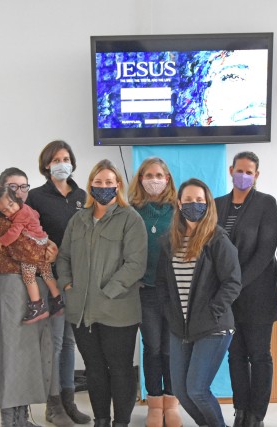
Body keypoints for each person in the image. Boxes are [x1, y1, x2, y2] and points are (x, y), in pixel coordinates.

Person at [57, 159, 147, 427]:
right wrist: (67, 284)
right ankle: (101, 420)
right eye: (98, 182)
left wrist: (108, 291)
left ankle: (121, 421)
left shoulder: (130, 218)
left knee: (119, 370)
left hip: (117, 311)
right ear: (90, 186)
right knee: (94, 371)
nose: (104, 187)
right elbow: (63, 257)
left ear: (118, 185)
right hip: (81, 312)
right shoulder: (78, 219)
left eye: (109, 182)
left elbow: (135, 264)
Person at [157, 178, 242, 427]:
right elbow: (161, 284)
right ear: (179, 204)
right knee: (182, 393)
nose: (194, 205)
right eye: (188, 200)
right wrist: (170, 313)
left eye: (199, 200)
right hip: (179, 328)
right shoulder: (168, 241)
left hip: (213, 327)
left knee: (197, 390)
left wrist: (212, 311)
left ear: (208, 205)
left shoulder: (217, 240)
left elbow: (233, 282)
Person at [0, 167, 56, 427]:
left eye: (24, 187)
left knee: (24, 355)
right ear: (1, 190)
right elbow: (30, 251)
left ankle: (20, 417)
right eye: (13, 187)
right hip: (10, 290)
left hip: (26, 289)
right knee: (10, 356)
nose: (19, 192)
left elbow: (40, 248)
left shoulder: (24, 217)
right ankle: (10, 420)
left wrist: (48, 248)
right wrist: (48, 249)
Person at [26, 140, 90, 426]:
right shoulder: (36, 197)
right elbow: (27, 237)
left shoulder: (82, 196)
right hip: (47, 278)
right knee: (52, 343)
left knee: (67, 343)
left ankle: (68, 401)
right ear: (46, 165)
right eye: (56, 159)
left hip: (74, 281)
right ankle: (52, 406)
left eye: (66, 158)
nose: (62, 163)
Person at [213, 151, 277, 427]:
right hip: (227, 297)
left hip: (258, 293)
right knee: (235, 354)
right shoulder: (217, 204)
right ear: (231, 170)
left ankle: (256, 415)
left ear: (257, 175)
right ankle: (240, 411)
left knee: (259, 355)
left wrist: (235, 285)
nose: (243, 175)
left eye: (249, 172)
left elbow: (266, 252)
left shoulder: (266, 203)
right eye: (239, 170)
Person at [128, 157, 181, 427]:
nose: (154, 179)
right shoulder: (132, 210)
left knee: (171, 349)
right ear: (140, 179)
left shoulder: (179, 209)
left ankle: (171, 403)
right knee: (152, 348)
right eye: (148, 175)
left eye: (159, 174)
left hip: (173, 293)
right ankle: (154, 403)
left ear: (168, 178)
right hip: (145, 290)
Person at [0, 186, 65, 324]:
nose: (10, 211)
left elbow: (14, 232)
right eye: (5, 210)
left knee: (28, 276)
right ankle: (58, 299)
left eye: (11, 205)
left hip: (34, 247)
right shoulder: (26, 209)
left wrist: (0, 242)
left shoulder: (21, 215)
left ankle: (37, 305)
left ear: (17, 199)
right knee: (47, 274)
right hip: (42, 243)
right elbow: (36, 215)